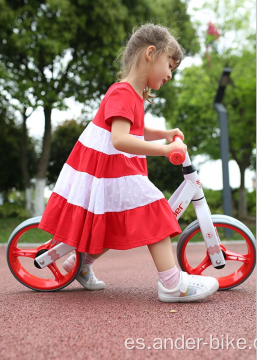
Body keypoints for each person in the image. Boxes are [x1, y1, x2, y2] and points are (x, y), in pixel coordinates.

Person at [38, 23, 219, 302]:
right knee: (157, 210)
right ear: (150, 53)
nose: (170, 74)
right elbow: (120, 139)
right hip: (111, 170)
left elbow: (136, 130)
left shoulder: (133, 94)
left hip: (115, 169)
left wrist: (165, 134)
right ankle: (172, 284)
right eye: (169, 65)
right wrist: (165, 149)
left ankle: (79, 264)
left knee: (112, 222)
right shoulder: (122, 92)